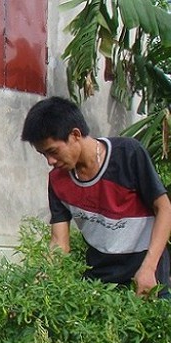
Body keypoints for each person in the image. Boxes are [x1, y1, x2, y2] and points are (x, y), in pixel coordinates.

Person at [21, 96, 171, 297]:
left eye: (53, 151)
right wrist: (44, 277)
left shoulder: (127, 154)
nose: (50, 161)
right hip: (100, 283)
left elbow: (164, 208)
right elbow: (59, 242)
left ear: (75, 135)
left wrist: (148, 268)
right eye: (44, 155)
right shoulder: (58, 181)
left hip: (145, 278)